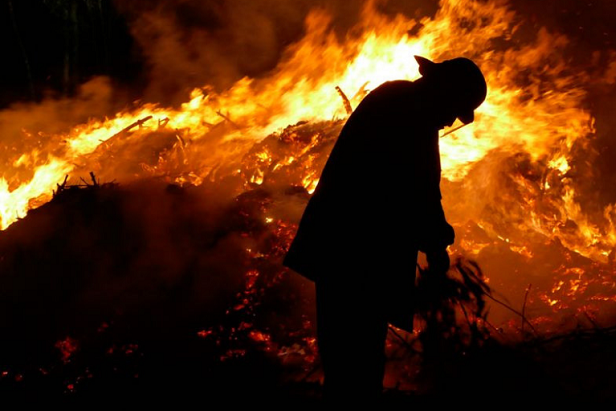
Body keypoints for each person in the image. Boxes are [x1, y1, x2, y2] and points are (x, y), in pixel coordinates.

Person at [283, 55, 487, 401]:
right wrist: (437, 246)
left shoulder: (402, 103)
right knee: (356, 359)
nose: (452, 119)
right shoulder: (409, 113)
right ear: (444, 90)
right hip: (355, 253)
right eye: (456, 107)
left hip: (343, 248)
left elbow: (418, 190)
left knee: (348, 358)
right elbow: (416, 189)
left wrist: (434, 242)